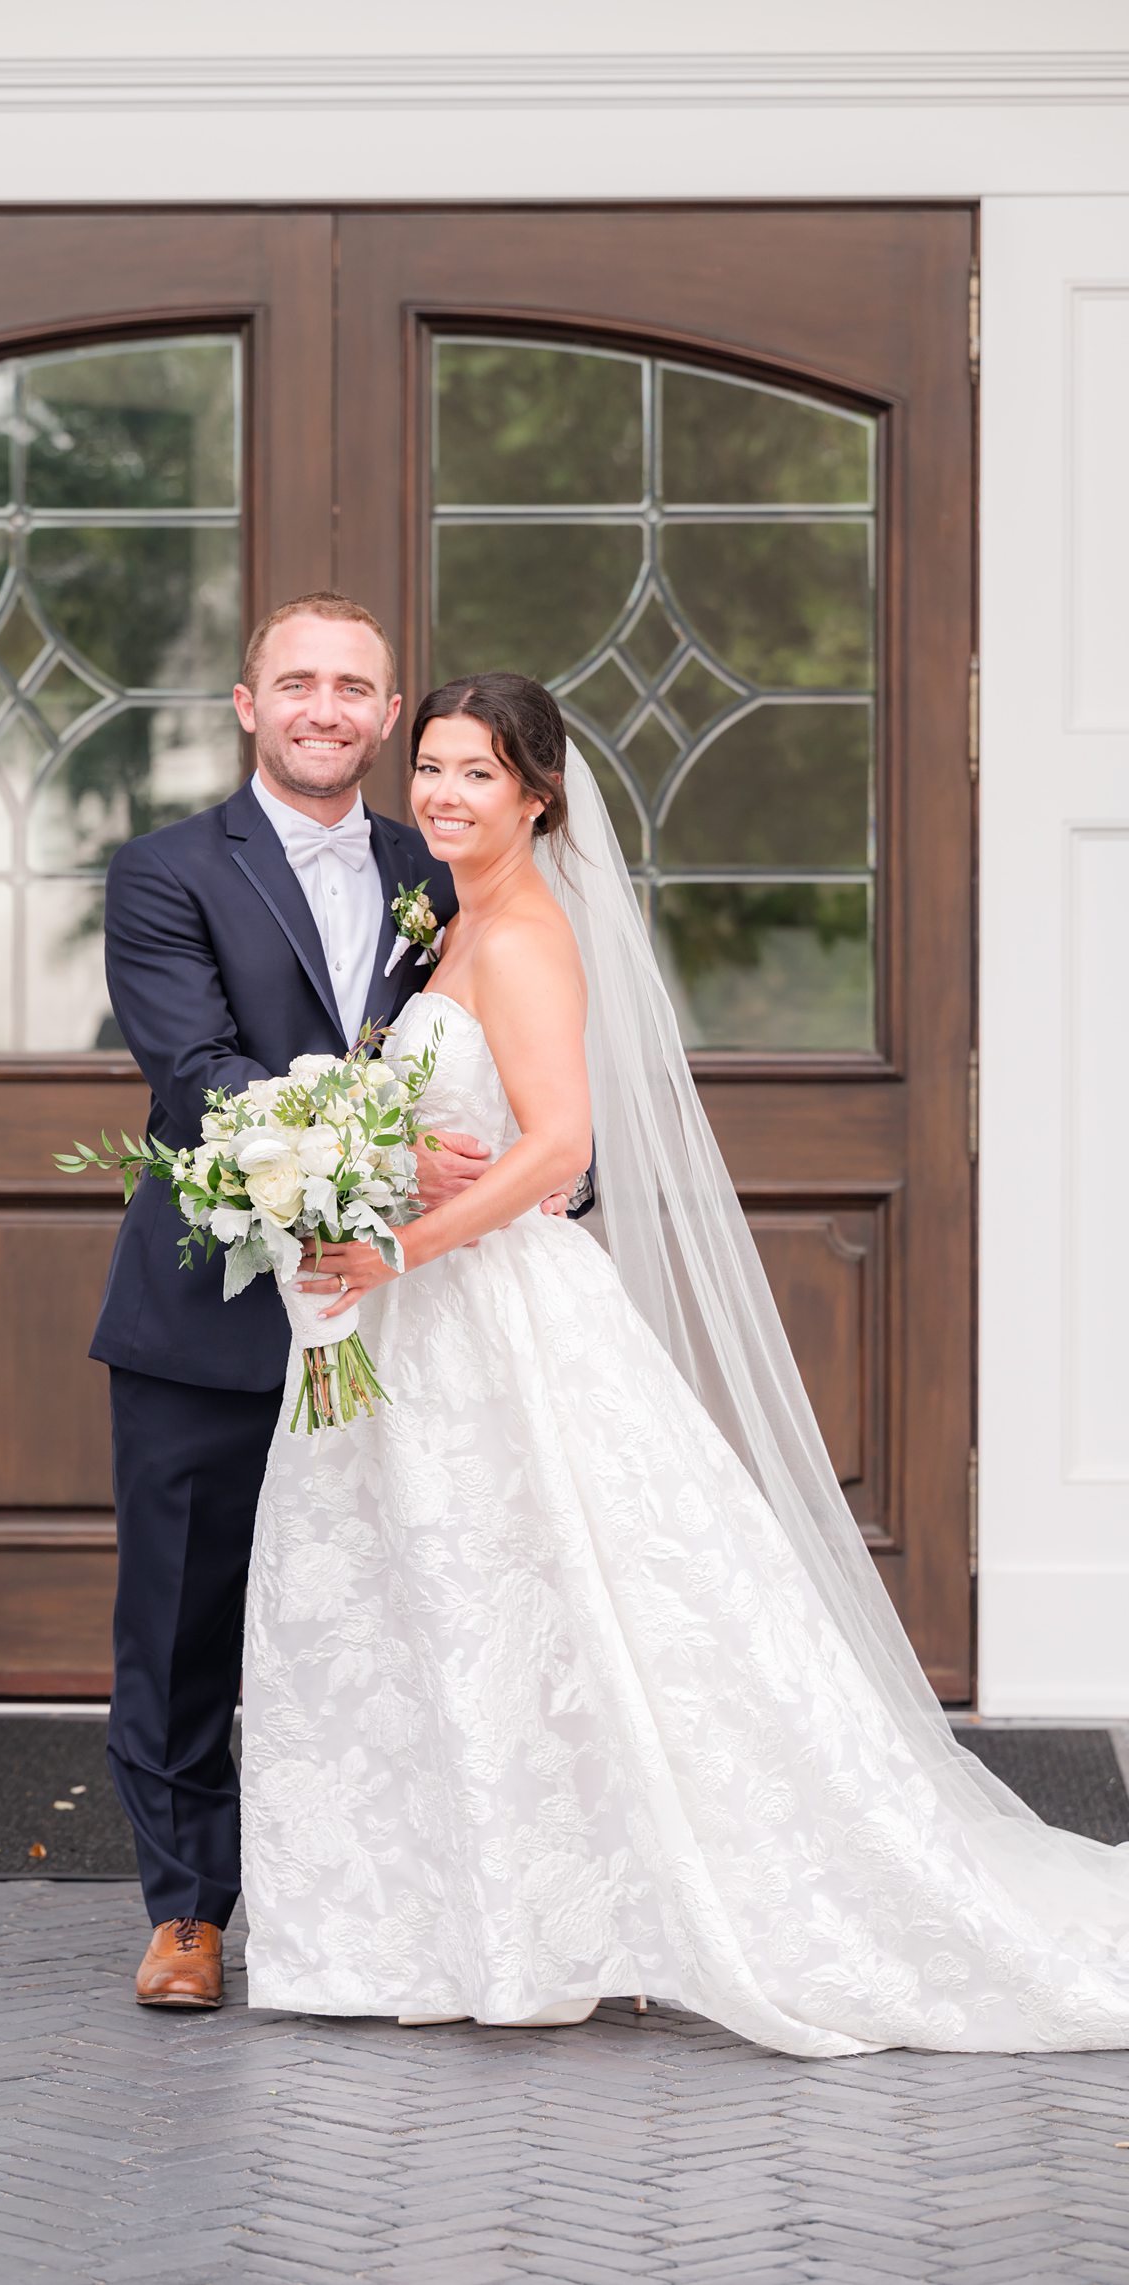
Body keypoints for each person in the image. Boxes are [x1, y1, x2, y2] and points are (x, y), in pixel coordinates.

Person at [239, 671, 1129, 2055]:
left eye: (477, 772)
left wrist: (401, 1250)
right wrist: (349, 1166)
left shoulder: (526, 933)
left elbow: (557, 1149)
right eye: (433, 768)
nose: (443, 793)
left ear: (537, 793)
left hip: (495, 1318)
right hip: (413, 1326)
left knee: (564, 1611)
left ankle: (575, 1914)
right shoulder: (451, 921)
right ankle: (462, 1916)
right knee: (451, 1611)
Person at [89, 598, 578, 2009]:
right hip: (215, 1304)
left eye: (353, 688)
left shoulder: (447, 856)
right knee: (185, 1616)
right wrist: (379, 1148)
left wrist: (545, 1172)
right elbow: (198, 1076)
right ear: (248, 704)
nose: (323, 707)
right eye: (295, 681)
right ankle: (187, 1914)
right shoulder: (166, 871)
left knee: (381, 1610)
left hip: (409, 1323)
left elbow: (513, 1053)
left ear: (384, 718)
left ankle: (404, 1895)